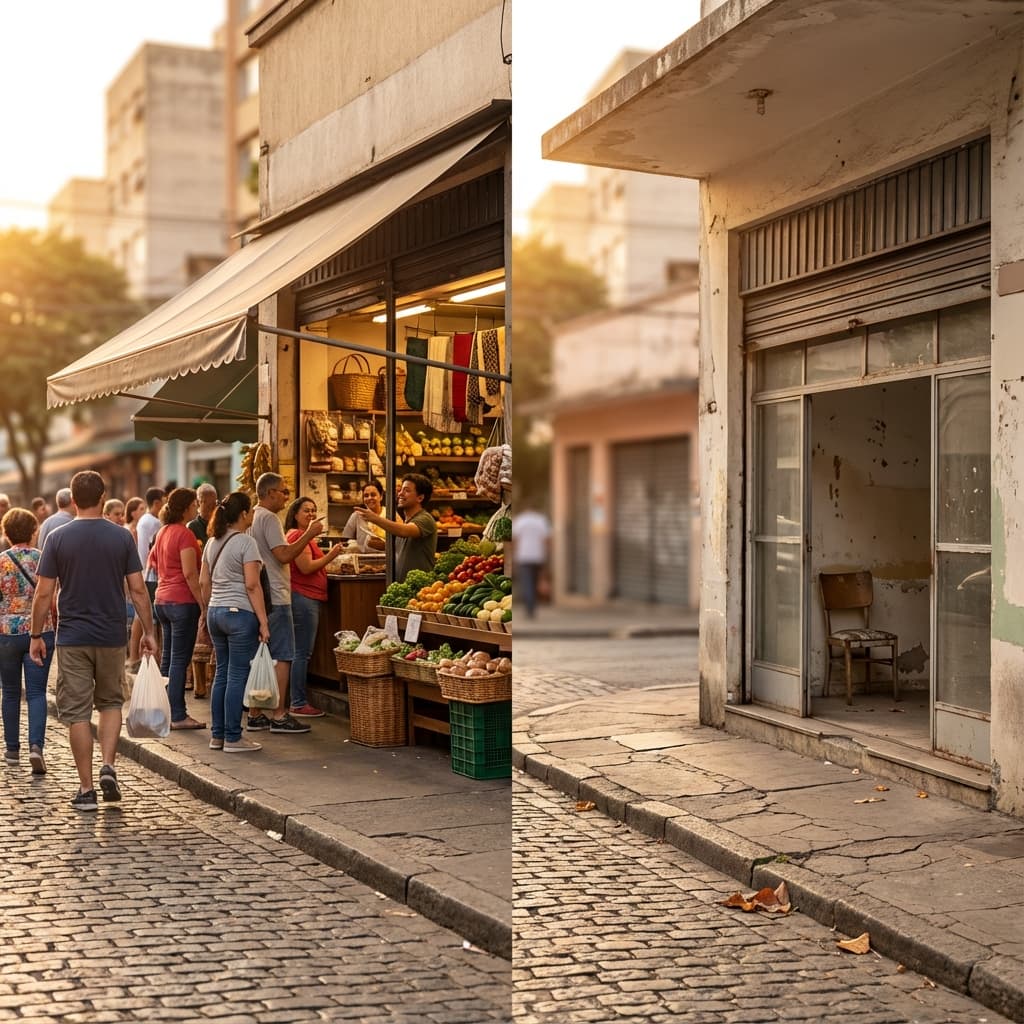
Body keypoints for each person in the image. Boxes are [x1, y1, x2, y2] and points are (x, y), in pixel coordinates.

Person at [29, 470, 156, 811]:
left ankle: (86, 789)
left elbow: (43, 594)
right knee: (111, 703)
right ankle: (108, 766)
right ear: (103, 497)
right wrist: (149, 632)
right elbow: (138, 590)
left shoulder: (57, 538)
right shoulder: (121, 537)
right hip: (112, 635)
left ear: (72, 499)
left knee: (77, 713)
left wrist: (36, 635)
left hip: (72, 636)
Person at [246, 472, 324, 735]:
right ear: (270, 493)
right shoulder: (268, 518)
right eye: (283, 491)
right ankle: (279, 714)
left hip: (262, 595)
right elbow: (284, 555)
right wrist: (309, 534)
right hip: (276, 595)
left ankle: (256, 713)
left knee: (263, 656)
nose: (286, 496)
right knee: (283, 655)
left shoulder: (253, 516)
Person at [198, 491, 269, 753]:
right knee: (237, 674)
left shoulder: (211, 542)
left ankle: (217, 736)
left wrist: (208, 609)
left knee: (222, 673)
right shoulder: (246, 543)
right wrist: (263, 621)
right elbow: (252, 585)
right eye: (251, 512)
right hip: (239, 614)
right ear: (243, 514)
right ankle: (233, 737)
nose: (252, 516)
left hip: (216, 612)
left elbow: (203, 582)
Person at [0, 507, 56, 774]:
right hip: (39, 631)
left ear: (7, 533)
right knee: (36, 692)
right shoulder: (42, 558)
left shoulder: (1, 561)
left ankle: (12, 749)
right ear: (34, 531)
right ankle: (36, 746)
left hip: (6, 634)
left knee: (10, 692)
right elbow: (52, 597)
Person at [148, 488, 205, 731]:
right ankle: (178, 715)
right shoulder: (185, 534)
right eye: (194, 504)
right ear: (186, 508)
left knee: (169, 658)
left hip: (162, 600)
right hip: (182, 601)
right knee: (180, 660)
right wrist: (202, 603)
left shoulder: (162, 532)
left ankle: (164, 710)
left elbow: (153, 562)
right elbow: (190, 573)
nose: (197, 508)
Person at [284, 496, 345, 719]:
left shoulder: (301, 535)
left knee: (298, 651)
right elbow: (306, 567)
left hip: (304, 597)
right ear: (295, 514)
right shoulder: (298, 535)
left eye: (313, 510)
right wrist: (331, 555)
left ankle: (294, 700)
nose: (311, 514)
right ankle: (298, 702)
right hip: (304, 598)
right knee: (302, 652)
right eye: (306, 510)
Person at [356, 473, 437, 581]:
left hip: (420, 586)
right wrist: (384, 546)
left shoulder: (425, 519)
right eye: (401, 490)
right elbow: (402, 550)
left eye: (406, 490)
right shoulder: (405, 522)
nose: (400, 494)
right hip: (403, 585)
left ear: (420, 498)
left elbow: (404, 531)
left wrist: (375, 518)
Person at [131, 487, 165, 668]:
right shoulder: (153, 522)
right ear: (158, 502)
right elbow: (146, 550)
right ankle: (145, 659)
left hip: (146, 572)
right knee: (147, 619)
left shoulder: (145, 520)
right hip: (151, 574)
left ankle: (136, 658)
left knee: (142, 617)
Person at [512, 504, 552, 619]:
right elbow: (547, 539)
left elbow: (516, 540)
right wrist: (547, 554)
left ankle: (530, 608)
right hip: (538, 556)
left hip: (524, 556)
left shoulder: (520, 520)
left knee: (527, 583)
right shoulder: (541, 520)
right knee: (535, 582)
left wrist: (515, 555)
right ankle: (532, 606)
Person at [341, 480, 387, 552]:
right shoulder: (357, 516)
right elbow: (344, 540)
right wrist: (354, 546)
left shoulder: (390, 514)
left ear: (381, 496)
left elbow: (398, 543)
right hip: (363, 558)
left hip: (387, 557)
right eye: (366, 496)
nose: (369, 498)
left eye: (373, 495)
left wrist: (384, 545)